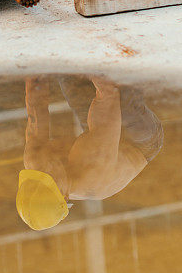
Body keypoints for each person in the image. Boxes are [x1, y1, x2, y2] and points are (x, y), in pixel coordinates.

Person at [16, 76, 163, 231]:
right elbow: (109, 93)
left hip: (98, 137)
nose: (47, 167)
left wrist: (35, 72)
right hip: (138, 144)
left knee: (68, 79)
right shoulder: (92, 170)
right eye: (51, 177)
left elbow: (36, 98)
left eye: (42, 175)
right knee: (121, 90)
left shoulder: (35, 161)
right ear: (65, 195)